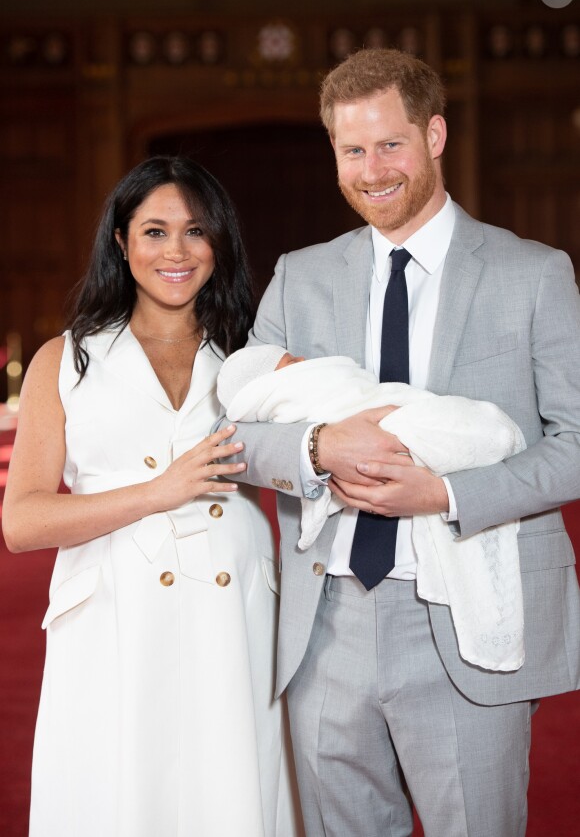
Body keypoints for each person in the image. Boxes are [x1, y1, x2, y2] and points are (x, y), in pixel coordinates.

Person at [219, 49, 580, 837]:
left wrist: (446, 494)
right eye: (353, 150)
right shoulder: (300, 276)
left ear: (436, 134)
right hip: (326, 625)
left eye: (391, 144)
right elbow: (239, 434)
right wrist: (318, 447)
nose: (372, 169)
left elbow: (577, 441)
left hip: (463, 615)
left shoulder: (533, 273)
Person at [2, 156, 302, 837]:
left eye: (195, 232)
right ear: (121, 240)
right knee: (117, 792)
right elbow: (21, 522)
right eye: (155, 231)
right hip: (112, 608)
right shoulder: (67, 358)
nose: (177, 251)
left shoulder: (253, 354)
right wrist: (158, 491)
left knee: (231, 788)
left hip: (234, 612)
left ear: (218, 242)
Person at [218, 343, 527, 673]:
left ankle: (488, 432)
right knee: (451, 431)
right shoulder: (287, 299)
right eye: (293, 363)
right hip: (327, 608)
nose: (305, 361)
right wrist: (320, 447)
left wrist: (445, 494)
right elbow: (227, 439)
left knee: (459, 426)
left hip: (437, 605)